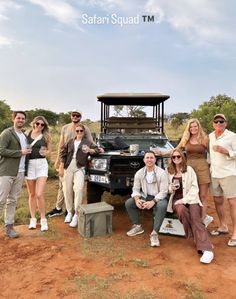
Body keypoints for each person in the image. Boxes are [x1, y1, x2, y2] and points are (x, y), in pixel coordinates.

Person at [154, 118, 213, 227]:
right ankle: (191, 218)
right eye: (191, 127)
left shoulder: (205, 139)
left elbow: (212, 153)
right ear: (188, 128)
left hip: (202, 168)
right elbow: (175, 150)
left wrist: (212, 164)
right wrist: (162, 153)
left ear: (199, 127)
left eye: (195, 126)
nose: (193, 128)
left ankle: (203, 219)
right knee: (188, 192)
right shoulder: (186, 139)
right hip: (188, 168)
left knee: (202, 196)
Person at [167, 149, 214, 264]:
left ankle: (207, 250)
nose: (176, 159)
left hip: (191, 198)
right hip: (177, 200)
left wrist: (185, 199)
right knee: (181, 210)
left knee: (195, 216)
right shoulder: (168, 171)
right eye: (174, 157)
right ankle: (201, 241)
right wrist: (170, 188)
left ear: (182, 158)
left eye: (179, 157)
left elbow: (194, 188)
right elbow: (165, 187)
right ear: (171, 159)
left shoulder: (189, 170)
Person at [46, 109, 93, 218]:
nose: (75, 117)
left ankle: (71, 210)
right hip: (65, 160)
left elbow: (91, 142)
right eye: (74, 115)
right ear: (71, 116)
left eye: (78, 115)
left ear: (80, 117)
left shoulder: (85, 128)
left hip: (78, 162)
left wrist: (98, 149)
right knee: (63, 185)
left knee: (76, 187)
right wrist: (58, 160)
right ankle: (59, 208)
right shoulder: (65, 128)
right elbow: (61, 144)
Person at [125, 151, 168, 247]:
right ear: (144, 160)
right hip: (145, 196)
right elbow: (135, 189)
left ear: (155, 160)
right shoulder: (139, 173)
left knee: (162, 206)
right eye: (147, 158)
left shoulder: (162, 173)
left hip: (158, 197)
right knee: (129, 203)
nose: (149, 160)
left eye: (151, 157)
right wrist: (137, 199)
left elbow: (164, 191)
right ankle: (137, 226)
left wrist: (153, 202)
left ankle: (154, 233)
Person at [59, 123, 99, 227]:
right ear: (75, 132)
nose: (79, 132)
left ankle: (76, 215)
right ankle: (69, 212)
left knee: (79, 189)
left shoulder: (88, 142)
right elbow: (62, 153)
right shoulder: (70, 141)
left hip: (80, 167)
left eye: (81, 131)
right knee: (66, 189)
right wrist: (61, 166)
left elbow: (97, 150)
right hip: (68, 166)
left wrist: (90, 150)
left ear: (84, 132)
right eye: (77, 131)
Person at [0, 111, 31, 238]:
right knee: (1, 200)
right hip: (7, 171)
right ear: (13, 119)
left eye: (23, 119)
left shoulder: (24, 135)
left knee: (12, 200)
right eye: (18, 118)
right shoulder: (7, 133)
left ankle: (9, 228)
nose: (21, 120)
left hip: (21, 172)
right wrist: (20, 152)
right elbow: (1, 150)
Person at [209, 114, 236, 247]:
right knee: (218, 201)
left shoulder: (232, 136)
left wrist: (226, 151)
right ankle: (223, 226)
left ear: (226, 123)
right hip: (214, 174)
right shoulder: (210, 136)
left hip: (229, 174)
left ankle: (235, 233)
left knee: (233, 203)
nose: (219, 123)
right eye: (216, 121)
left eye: (221, 121)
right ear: (213, 124)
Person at [25, 116, 52, 231]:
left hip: (41, 164)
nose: (40, 126)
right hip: (29, 164)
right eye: (38, 123)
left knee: (39, 194)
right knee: (32, 194)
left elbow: (49, 150)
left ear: (44, 126)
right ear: (34, 123)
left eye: (42, 124)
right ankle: (32, 219)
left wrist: (46, 153)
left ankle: (43, 219)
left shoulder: (46, 136)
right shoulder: (27, 134)